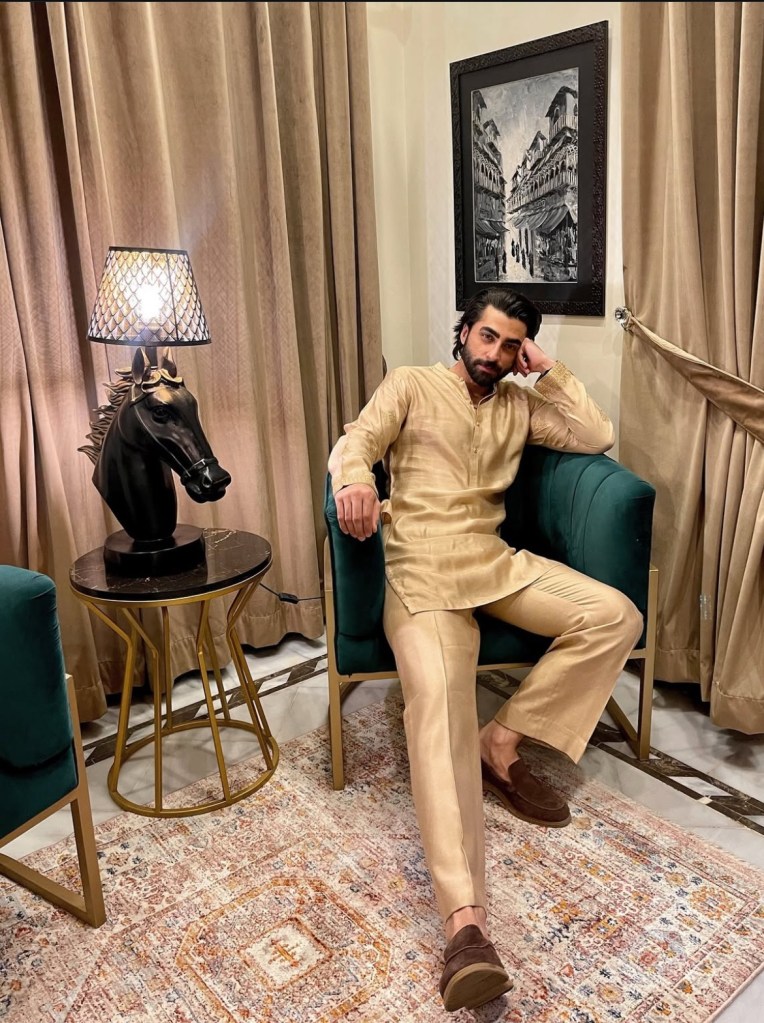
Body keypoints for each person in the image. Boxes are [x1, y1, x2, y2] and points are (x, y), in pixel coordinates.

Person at [328, 288, 642, 1013]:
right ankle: (465, 926)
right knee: (439, 708)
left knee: (615, 615)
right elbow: (358, 441)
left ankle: (501, 742)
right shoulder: (411, 383)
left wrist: (548, 370)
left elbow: (594, 434)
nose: (494, 354)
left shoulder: (519, 405)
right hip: (421, 571)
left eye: (510, 345)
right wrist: (354, 481)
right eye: (487, 337)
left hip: (494, 562)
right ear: (463, 331)